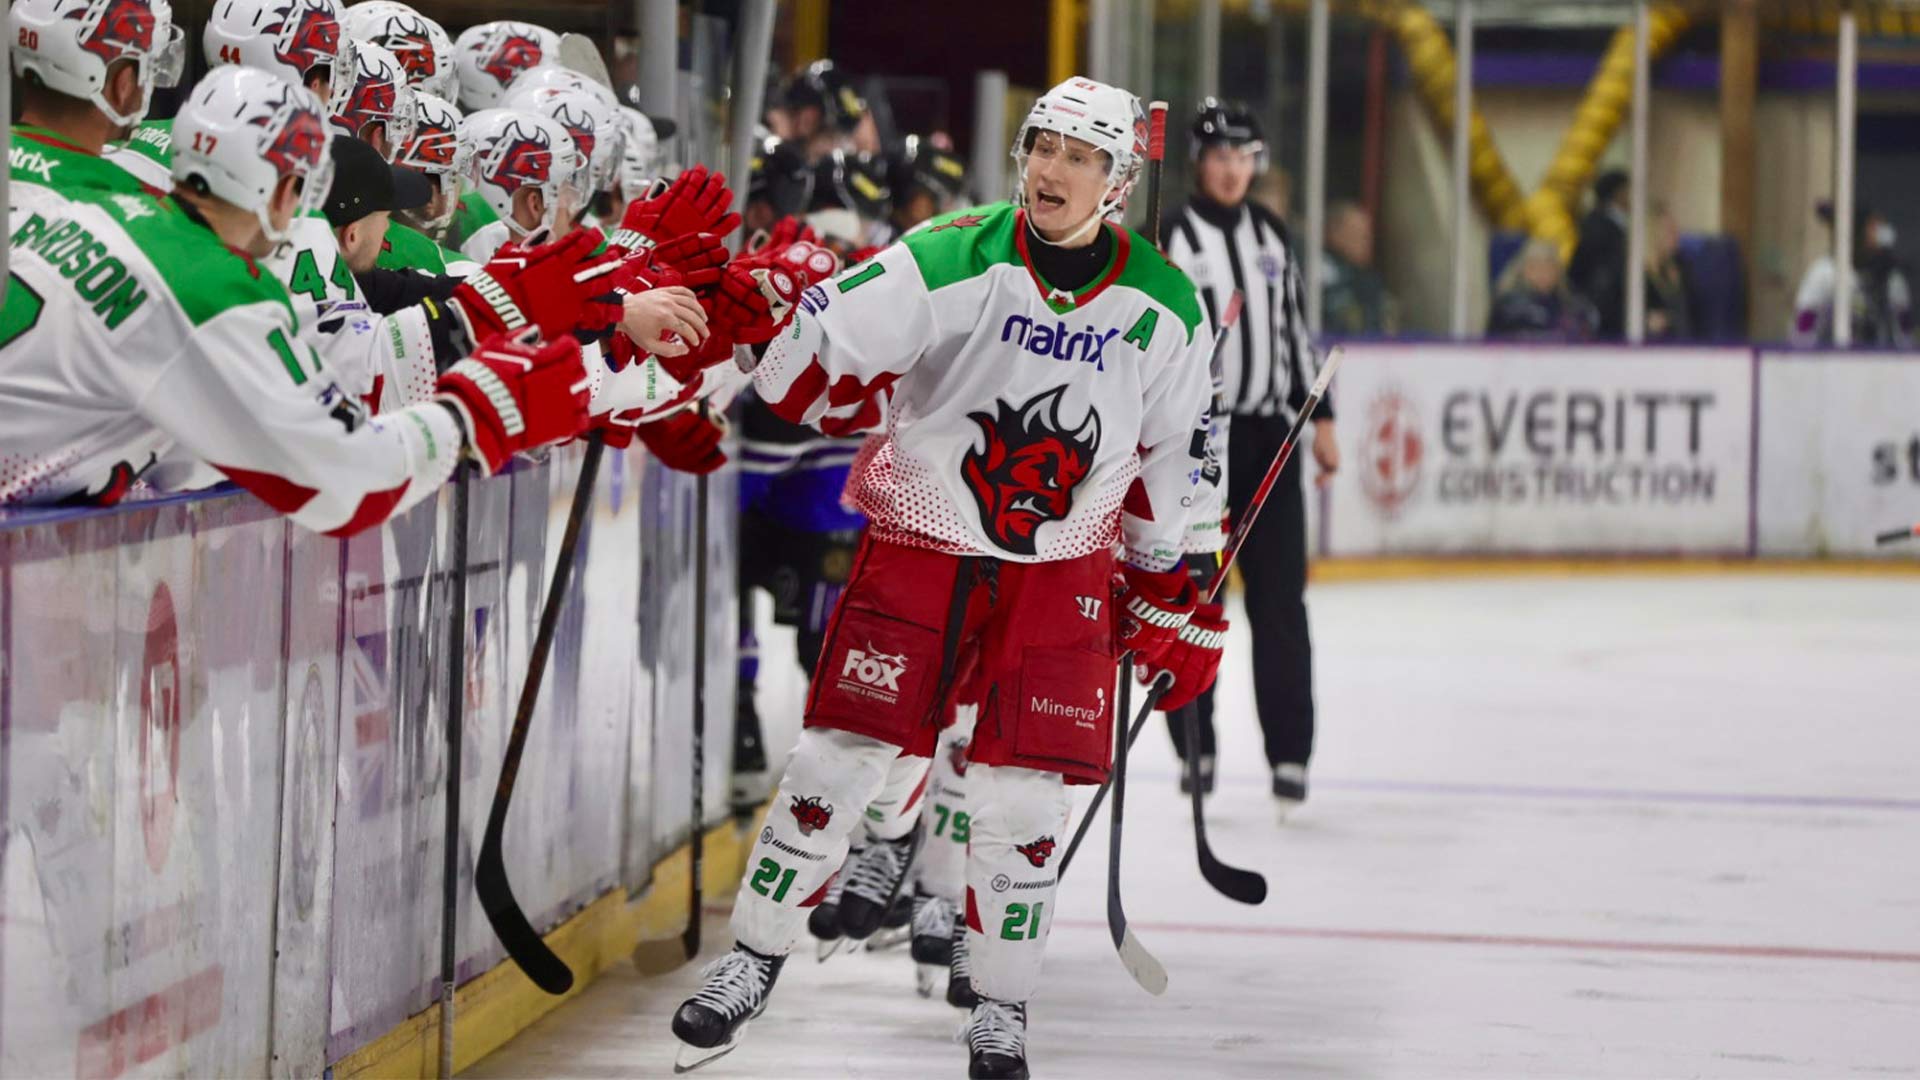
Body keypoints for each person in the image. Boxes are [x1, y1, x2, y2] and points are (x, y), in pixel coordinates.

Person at [664, 75, 1223, 1079]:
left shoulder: (1166, 305)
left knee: (1021, 801)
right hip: (922, 546)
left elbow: (1178, 459)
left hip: (1059, 572)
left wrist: (1178, 593)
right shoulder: (949, 254)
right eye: (1043, 145)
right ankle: (750, 960)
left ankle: (1001, 1009)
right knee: (836, 759)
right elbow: (811, 358)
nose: (1051, 169)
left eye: (1079, 156)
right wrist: (753, 318)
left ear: (1119, 181)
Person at [0, 66, 603, 524]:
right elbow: (344, 479)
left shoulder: (79, 203)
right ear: (288, 189)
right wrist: (473, 417)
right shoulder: (212, 287)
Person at [1162, 98, 1336, 813]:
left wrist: (1321, 418)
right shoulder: (1171, 232)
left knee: (1280, 600)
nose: (1232, 170)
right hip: (1200, 441)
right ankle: (1193, 743)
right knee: (1193, 596)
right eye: (1220, 156)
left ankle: (1290, 752)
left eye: (1244, 157)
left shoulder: (1269, 231)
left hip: (1271, 437)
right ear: (1199, 162)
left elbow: (1294, 332)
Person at [1792, 201, 1914, 348]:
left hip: (1880, 364)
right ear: (1857, 232)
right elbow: (1803, 332)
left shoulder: (1892, 279)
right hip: (1831, 363)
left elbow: (1904, 336)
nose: (1881, 234)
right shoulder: (1825, 273)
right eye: (1873, 228)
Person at [1488, 238, 1598, 342]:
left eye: (1549, 267)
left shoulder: (1573, 306)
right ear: (1523, 271)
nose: (1543, 274)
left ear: (1559, 272)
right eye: (1535, 267)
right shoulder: (1508, 307)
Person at [1568, 168, 1631, 340]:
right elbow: (1580, 269)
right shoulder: (1598, 227)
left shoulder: (1620, 225)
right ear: (1617, 193)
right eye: (1628, 190)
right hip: (1604, 307)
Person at [1321, 200, 1396, 336]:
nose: (1367, 240)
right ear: (1334, 234)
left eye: (1368, 235)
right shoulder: (1317, 272)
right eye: (1358, 234)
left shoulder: (1369, 280)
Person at [1644, 202, 1693, 342]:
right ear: (1653, 235)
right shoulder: (1635, 277)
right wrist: (1647, 322)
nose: (1677, 235)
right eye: (1670, 231)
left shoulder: (1681, 267)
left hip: (1686, 348)